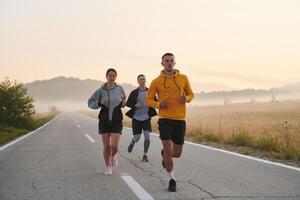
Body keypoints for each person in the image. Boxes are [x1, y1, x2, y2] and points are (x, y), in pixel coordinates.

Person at [146, 53, 194, 192]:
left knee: (177, 153)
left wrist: (187, 99)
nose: (169, 63)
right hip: (164, 119)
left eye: (171, 61)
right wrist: (159, 104)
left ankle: (165, 155)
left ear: (174, 63)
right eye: (166, 61)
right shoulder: (156, 81)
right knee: (168, 147)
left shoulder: (183, 78)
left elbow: (191, 93)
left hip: (180, 119)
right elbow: (149, 99)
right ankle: (172, 179)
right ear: (162, 63)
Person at [88, 68, 126, 175]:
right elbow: (90, 103)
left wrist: (123, 103)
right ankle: (108, 166)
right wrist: (99, 103)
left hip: (116, 120)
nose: (112, 77)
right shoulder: (100, 91)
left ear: (116, 77)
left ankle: (113, 155)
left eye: (114, 75)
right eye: (110, 75)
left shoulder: (120, 89)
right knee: (106, 146)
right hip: (104, 121)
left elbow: (124, 99)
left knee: (114, 146)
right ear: (106, 76)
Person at [125, 74, 157, 162]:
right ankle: (132, 142)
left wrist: (154, 104)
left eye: (143, 79)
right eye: (140, 79)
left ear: (145, 81)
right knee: (137, 138)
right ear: (138, 81)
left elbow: (156, 102)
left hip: (146, 117)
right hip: (136, 118)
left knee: (147, 136)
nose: (142, 81)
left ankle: (144, 155)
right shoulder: (134, 92)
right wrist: (135, 105)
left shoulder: (150, 91)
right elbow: (128, 104)